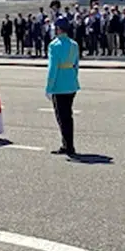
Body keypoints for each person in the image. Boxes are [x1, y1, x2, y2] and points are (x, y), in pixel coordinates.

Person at [46, 16, 80, 157]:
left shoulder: (54, 45)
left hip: (59, 85)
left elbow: (52, 68)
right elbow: (76, 65)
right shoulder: (74, 44)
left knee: (62, 117)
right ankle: (68, 144)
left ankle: (68, 146)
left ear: (59, 29)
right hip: (71, 84)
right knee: (68, 116)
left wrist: (49, 87)